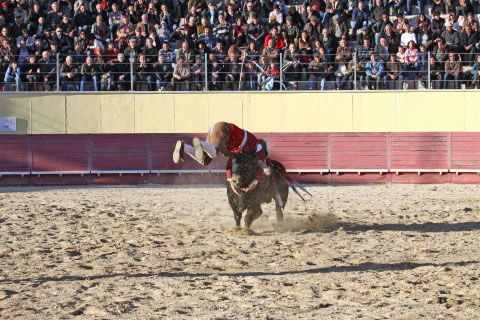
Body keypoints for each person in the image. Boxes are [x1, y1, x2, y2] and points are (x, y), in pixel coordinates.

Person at [172, 122, 270, 191]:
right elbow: (262, 164)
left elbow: (229, 164)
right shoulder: (258, 146)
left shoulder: (241, 151)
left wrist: (230, 180)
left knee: (205, 160)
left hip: (218, 129)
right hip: (225, 129)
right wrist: (255, 182)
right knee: (214, 152)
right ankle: (201, 144)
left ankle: (185, 147)